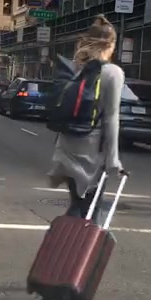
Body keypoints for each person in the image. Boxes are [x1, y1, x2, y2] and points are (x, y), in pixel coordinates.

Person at [48, 17, 124, 221]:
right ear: (111, 44)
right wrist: (113, 158)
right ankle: (74, 241)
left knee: (78, 204)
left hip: (67, 145)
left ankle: (64, 237)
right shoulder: (112, 72)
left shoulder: (75, 67)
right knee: (92, 210)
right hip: (91, 151)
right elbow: (111, 116)